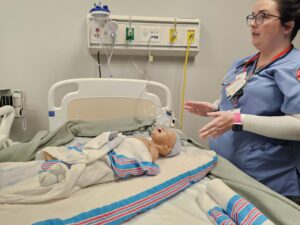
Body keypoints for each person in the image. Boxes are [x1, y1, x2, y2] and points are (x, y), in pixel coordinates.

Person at [185, 0, 300, 204]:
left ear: (288, 26)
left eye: (263, 16)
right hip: (226, 171)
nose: (253, 23)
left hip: (268, 183)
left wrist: (238, 120)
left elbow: (298, 124)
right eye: (253, 16)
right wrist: (215, 107)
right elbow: (243, 101)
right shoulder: (245, 64)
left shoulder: (294, 67)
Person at [39, 127, 182, 187]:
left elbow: (141, 161)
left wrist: (148, 166)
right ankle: (58, 160)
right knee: (84, 152)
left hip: (114, 159)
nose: (163, 128)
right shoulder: (147, 140)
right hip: (112, 149)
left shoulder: (153, 151)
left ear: (166, 147)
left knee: (94, 168)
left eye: (167, 133)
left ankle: (61, 175)